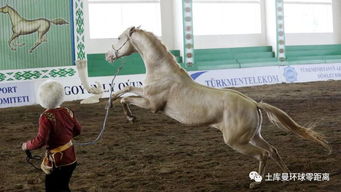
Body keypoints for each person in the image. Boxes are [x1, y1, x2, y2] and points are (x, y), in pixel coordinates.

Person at [21, 79, 81, 192]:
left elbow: (41, 140)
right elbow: (78, 130)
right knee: (63, 186)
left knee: (52, 188)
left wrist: (26, 145)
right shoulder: (67, 111)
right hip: (71, 158)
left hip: (58, 162)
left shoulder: (45, 116)